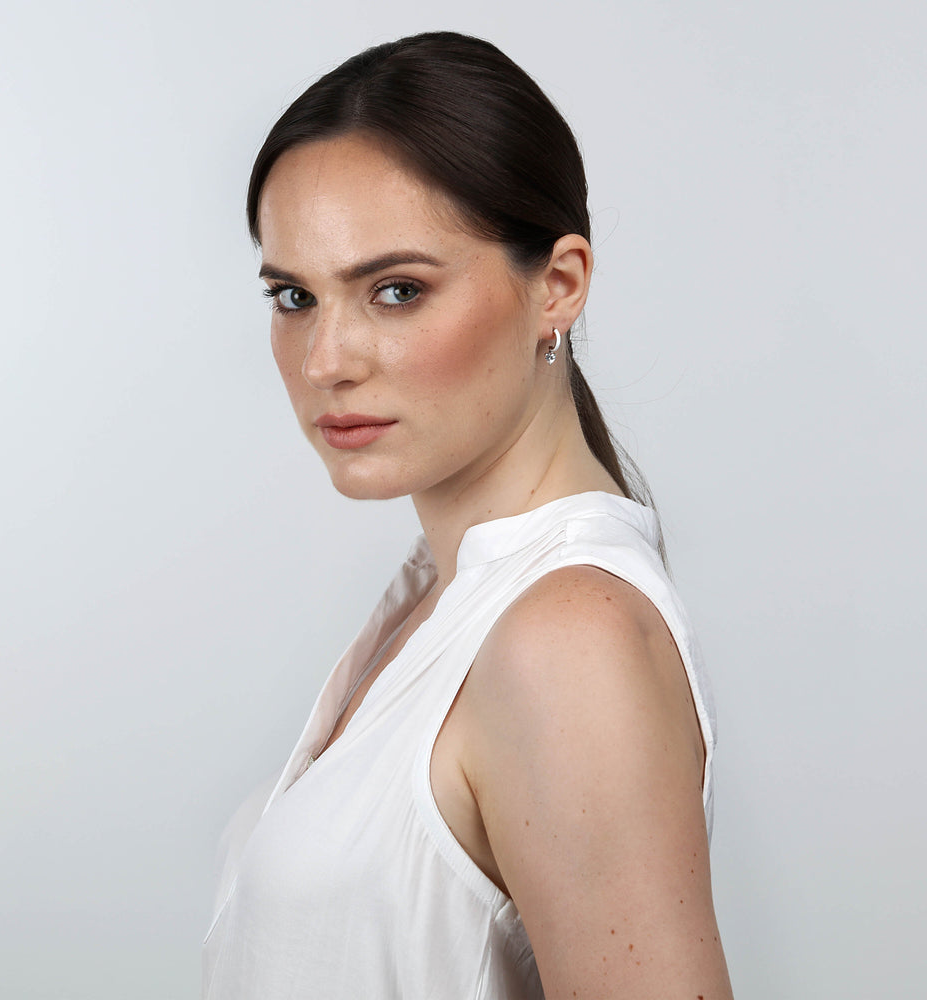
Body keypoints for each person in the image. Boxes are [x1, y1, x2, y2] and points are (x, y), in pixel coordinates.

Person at [204, 31, 733, 1000]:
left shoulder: (564, 639)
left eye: (396, 290)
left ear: (557, 286)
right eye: (293, 295)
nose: (325, 359)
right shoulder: (448, 601)